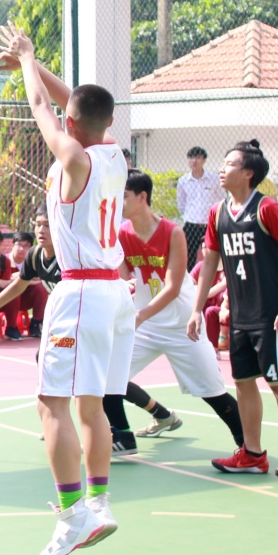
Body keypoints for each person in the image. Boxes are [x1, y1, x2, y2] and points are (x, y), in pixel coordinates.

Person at [0, 23, 134, 555]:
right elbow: (72, 103)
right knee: (92, 406)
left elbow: (39, 107)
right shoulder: (115, 154)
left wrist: (28, 59)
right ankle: (99, 501)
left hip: (79, 294)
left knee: (50, 405)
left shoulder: (72, 159)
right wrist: (35, 63)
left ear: (71, 122)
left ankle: (73, 516)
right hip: (116, 295)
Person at [188, 140, 278, 482]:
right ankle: (253, 454)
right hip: (240, 314)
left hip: (272, 315)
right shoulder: (217, 212)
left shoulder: (267, 208)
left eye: (229, 164)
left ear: (247, 173)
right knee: (243, 383)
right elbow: (210, 263)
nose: (222, 170)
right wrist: (197, 310)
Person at [104, 171, 244, 456]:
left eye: (124, 196)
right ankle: (123, 437)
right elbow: (125, 277)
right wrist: (125, 287)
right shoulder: (122, 233)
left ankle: (247, 445)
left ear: (142, 197)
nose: (118, 202)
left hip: (182, 325)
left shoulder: (173, 232)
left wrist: (139, 315)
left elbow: (172, 287)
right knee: (107, 376)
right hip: (146, 323)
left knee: (212, 392)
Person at [177, 146, 219, 268]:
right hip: (191, 224)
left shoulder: (214, 179)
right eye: (191, 157)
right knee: (187, 256)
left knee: (214, 254)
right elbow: (181, 204)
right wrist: (189, 215)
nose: (194, 161)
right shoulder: (183, 181)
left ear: (204, 160)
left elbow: (221, 199)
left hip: (210, 224)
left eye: (197, 157)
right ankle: (188, 283)